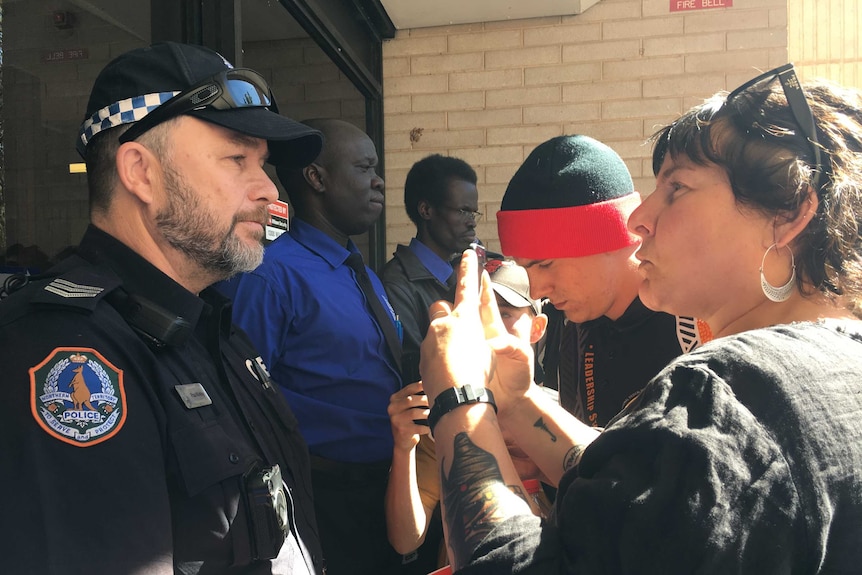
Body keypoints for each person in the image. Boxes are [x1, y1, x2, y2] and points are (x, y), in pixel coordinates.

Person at [419, 64, 862, 573]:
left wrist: (457, 398)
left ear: (789, 214)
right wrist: (516, 401)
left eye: (677, 189)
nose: (637, 219)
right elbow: (651, 501)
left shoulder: (726, 394)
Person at [0, 42, 326, 574]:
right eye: (237, 158)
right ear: (141, 173)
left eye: (263, 164)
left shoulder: (211, 326)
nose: (269, 190)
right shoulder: (67, 353)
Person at [219, 118, 403, 575]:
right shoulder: (269, 276)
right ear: (316, 178)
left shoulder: (359, 271)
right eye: (364, 167)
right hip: (324, 502)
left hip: (391, 487)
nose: (378, 180)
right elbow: (242, 406)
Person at [497, 134, 710, 427]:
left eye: (545, 264)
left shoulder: (699, 321)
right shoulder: (578, 326)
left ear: (606, 237)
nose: (537, 291)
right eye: (526, 270)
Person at [385, 260, 548, 572]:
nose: (486, 327)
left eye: (504, 313)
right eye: (473, 314)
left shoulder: (559, 411)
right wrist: (404, 448)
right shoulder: (441, 420)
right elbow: (406, 539)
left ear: (537, 327)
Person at [381, 153, 480, 384]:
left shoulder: (464, 275)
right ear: (426, 210)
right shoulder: (396, 285)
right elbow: (416, 372)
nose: (472, 221)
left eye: (473, 212)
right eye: (462, 211)